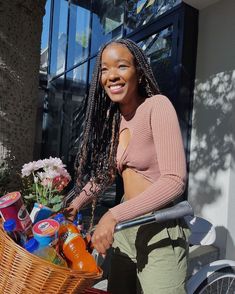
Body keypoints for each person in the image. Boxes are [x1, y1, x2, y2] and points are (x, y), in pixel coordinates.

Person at [64, 38, 189, 294]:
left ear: (139, 73)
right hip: (126, 230)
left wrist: (112, 215)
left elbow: (175, 180)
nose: (112, 76)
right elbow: (107, 174)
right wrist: (74, 205)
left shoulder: (157, 106)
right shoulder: (115, 119)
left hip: (159, 230)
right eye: (104, 69)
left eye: (121, 66)